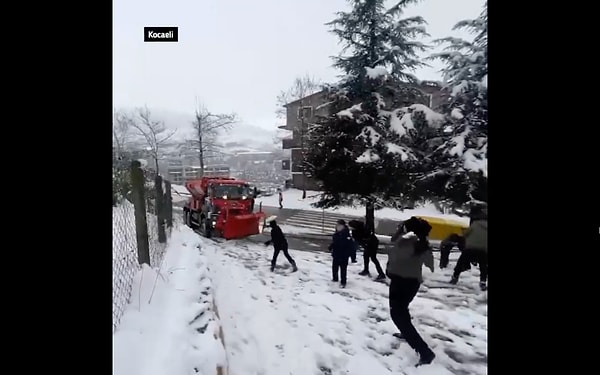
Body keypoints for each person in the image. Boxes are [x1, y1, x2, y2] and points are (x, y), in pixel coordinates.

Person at [387, 216, 436, 367]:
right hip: (411, 283)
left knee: (397, 315)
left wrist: (400, 234)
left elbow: (394, 254)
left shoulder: (406, 242)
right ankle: (405, 332)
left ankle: (425, 352)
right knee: (402, 310)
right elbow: (429, 262)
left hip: (400, 283)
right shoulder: (422, 243)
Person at [450, 206, 488, 290]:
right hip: (483, 250)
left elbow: (466, 234)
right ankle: (483, 281)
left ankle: (455, 276)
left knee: (461, 262)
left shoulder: (475, 224)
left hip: (471, 248)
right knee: (483, 265)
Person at [328, 219, 354, 287]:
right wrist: (331, 247)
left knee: (343, 269)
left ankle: (343, 282)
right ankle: (335, 278)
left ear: (343, 226)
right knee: (335, 267)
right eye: (336, 225)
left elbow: (351, 247)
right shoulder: (336, 234)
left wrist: (352, 257)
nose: (337, 226)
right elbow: (335, 242)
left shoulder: (347, 235)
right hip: (336, 253)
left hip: (344, 255)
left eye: (339, 225)